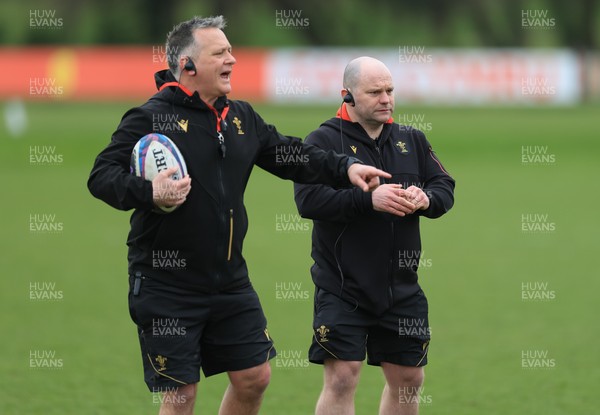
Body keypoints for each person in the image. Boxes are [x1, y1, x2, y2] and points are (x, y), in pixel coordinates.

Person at [87, 17, 389, 415]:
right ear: (188, 66)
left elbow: (290, 154)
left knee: (254, 376)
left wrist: (344, 168)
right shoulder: (150, 117)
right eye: (220, 53)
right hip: (166, 282)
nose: (232, 59)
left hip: (230, 280)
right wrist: (149, 191)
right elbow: (101, 176)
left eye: (231, 50)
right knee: (181, 394)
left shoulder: (240, 117)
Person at [294, 57, 455, 415]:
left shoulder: (411, 139)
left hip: (402, 287)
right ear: (347, 95)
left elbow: (445, 185)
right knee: (342, 377)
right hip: (342, 285)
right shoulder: (321, 141)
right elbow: (307, 201)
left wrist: (427, 199)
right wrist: (369, 200)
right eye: (375, 92)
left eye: (390, 90)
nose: (386, 99)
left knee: (409, 380)